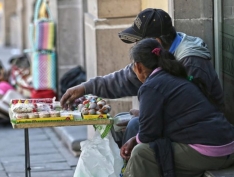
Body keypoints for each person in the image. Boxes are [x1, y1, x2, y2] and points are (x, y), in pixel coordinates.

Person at [60, 8, 224, 146]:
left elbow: (196, 110)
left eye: (138, 42)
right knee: (119, 124)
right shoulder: (156, 56)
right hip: (178, 123)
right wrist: (85, 88)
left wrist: (151, 116)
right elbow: (125, 79)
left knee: (134, 127)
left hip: (202, 134)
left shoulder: (192, 62)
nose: (136, 47)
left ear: (155, 42)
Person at [120, 38, 234, 177]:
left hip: (211, 152)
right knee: (138, 130)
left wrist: (133, 140)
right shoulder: (174, 76)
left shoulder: (151, 86)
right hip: (228, 144)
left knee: (140, 154)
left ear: (138, 67)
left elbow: (147, 135)